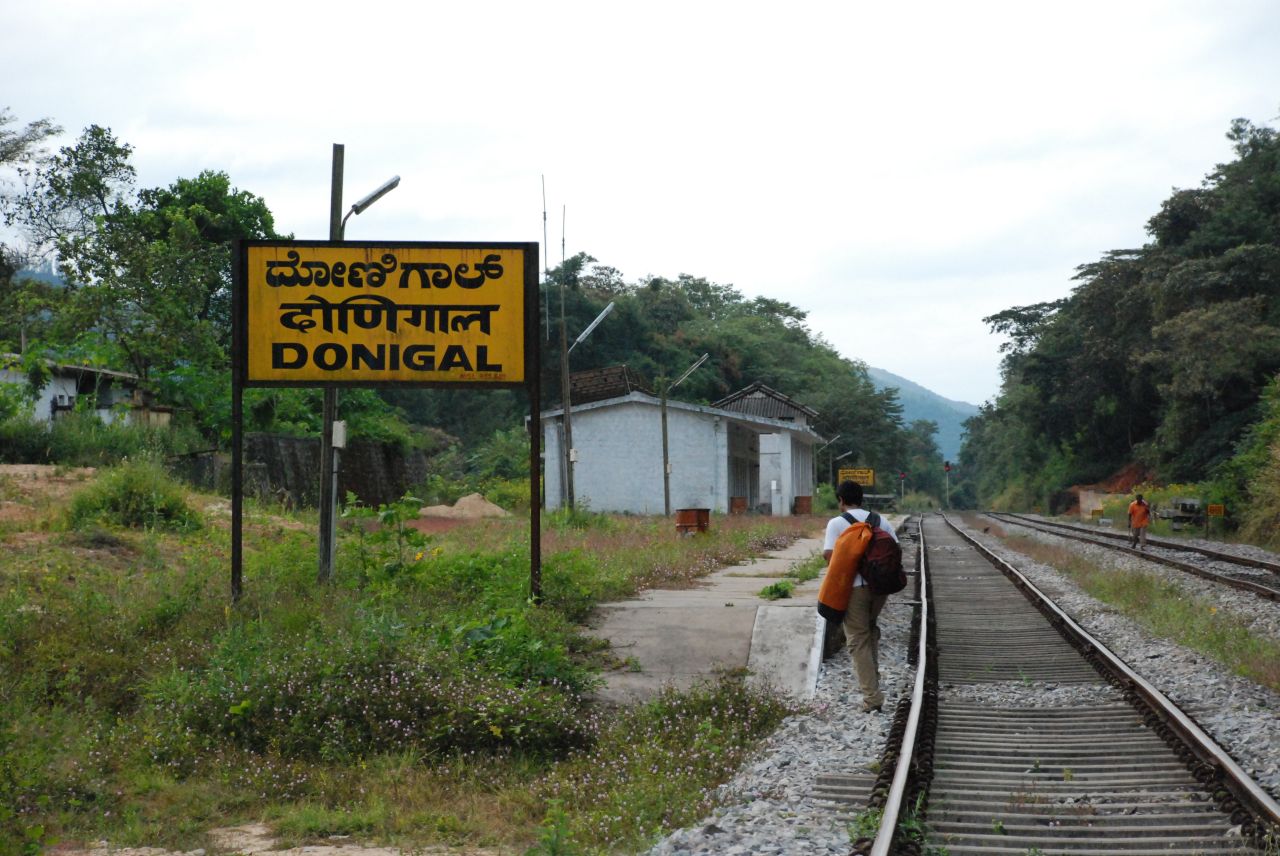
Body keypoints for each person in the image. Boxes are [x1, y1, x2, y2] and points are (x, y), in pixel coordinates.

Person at [823, 480, 899, 713]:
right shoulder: (881, 521)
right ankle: (873, 682)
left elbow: (829, 556)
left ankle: (872, 697)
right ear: (862, 498)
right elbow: (896, 550)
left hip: (854, 588)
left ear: (841, 500)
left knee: (857, 639)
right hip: (880, 589)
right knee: (869, 630)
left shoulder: (837, 523)